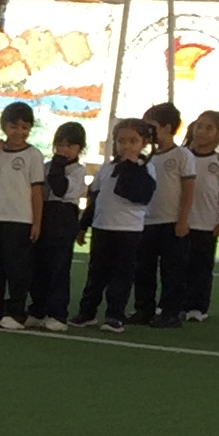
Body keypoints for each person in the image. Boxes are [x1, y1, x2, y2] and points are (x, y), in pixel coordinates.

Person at [74, 120, 155, 330]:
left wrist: (130, 167)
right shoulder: (107, 168)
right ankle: (87, 312)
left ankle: (115, 315)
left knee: (122, 275)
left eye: (133, 141)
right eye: (121, 141)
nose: (126, 146)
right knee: (96, 273)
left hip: (129, 231)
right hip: (102, 228)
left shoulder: (146, 168)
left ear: (144, 143)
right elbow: (95, 197)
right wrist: (84, 225)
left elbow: (139, 195)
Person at [0, 101, 41, 329]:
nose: (19, 132)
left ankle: (16, 313)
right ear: (4, 126)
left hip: (21, 220)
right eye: (14, 126)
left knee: (17, 269)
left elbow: (36, 190)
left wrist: (37, 222)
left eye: (25, 127)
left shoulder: (34, 155)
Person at [136, 106, 194, 327]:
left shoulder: (182, 155)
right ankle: (144, 309)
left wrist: (183, 219)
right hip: (146, 220)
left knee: (172, 270)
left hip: (171, 221)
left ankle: (170, 312)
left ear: (167, 128)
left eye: (151, 127)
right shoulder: (145, 156)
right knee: (143, 269)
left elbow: (188, 189)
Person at [178, 110, 219, 322]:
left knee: (201, 267)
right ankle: (174, 304)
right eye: (199, 126)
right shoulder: (182, 156)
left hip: (206, 223)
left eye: (209, 128)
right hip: (181, 222)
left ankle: (197, 307)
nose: (202, 131)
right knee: (178, 266)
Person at [34, 120, 87, 331]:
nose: (64, 150)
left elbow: (60, 188)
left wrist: (58, 163)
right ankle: (37, 310)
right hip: (45, 216)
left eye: (70, 145)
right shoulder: (46, 166)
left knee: (58, 268)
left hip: (64, 218)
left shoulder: (78, 171)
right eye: (60, 145)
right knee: (39, 266)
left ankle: (57, 314)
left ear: (79, 148)